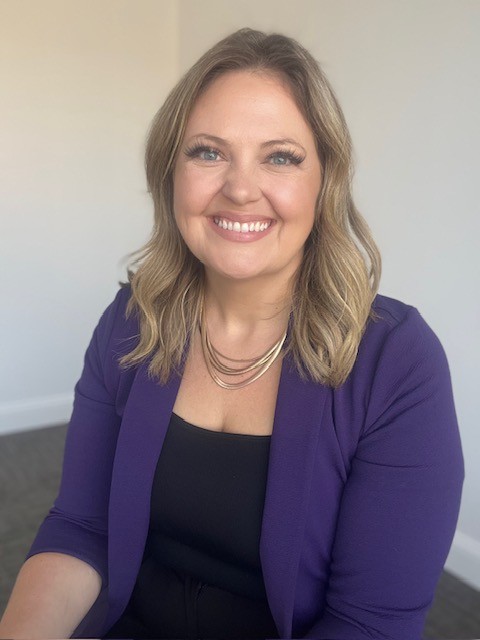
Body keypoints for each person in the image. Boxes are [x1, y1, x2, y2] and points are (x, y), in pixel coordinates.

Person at [0, 28, 464, 640]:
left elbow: (369, 624)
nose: (241, 189)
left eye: (280, 157)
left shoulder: (396, 362)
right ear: (170, 172)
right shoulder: (131, 321)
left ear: (325, 180)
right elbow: (82, 526)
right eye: (208, 152)